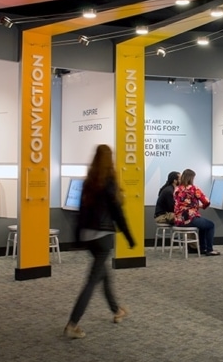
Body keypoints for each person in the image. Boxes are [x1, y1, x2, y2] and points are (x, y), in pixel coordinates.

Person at [64, 144, 136, 339]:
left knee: (103, 273)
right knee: (91, 281)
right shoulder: (109, 182)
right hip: (103, 238)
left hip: (88, 238)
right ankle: (73, 323)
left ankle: (116, 310)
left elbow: (80, 213)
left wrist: (78, 239)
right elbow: (117, 213)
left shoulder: (89, 182)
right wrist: (129, 237)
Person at [173, 169, 219, 256]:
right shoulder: (194, 189)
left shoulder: (177, 189)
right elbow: (206, 201)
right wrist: (202, 207)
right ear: (191, 178)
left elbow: (179, 203)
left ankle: (203, 248)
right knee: (210, 225)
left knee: (203, 226)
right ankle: (209, 249)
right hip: (190, 219)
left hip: (178, 220)